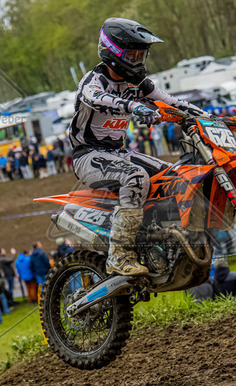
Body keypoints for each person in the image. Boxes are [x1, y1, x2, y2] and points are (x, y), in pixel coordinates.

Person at [70, 17, 206, 276]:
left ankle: (165, 241)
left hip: (118, 153)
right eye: (131, 55)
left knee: (176, 176)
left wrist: (212, 118)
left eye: (141, 55)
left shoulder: (139, 85)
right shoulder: (93, 81)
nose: (137, 61)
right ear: (113, 52)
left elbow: (171, 102)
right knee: (135, 177)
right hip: (87, 156)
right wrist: (134, 106)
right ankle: (119, 255)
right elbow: (98, 99)